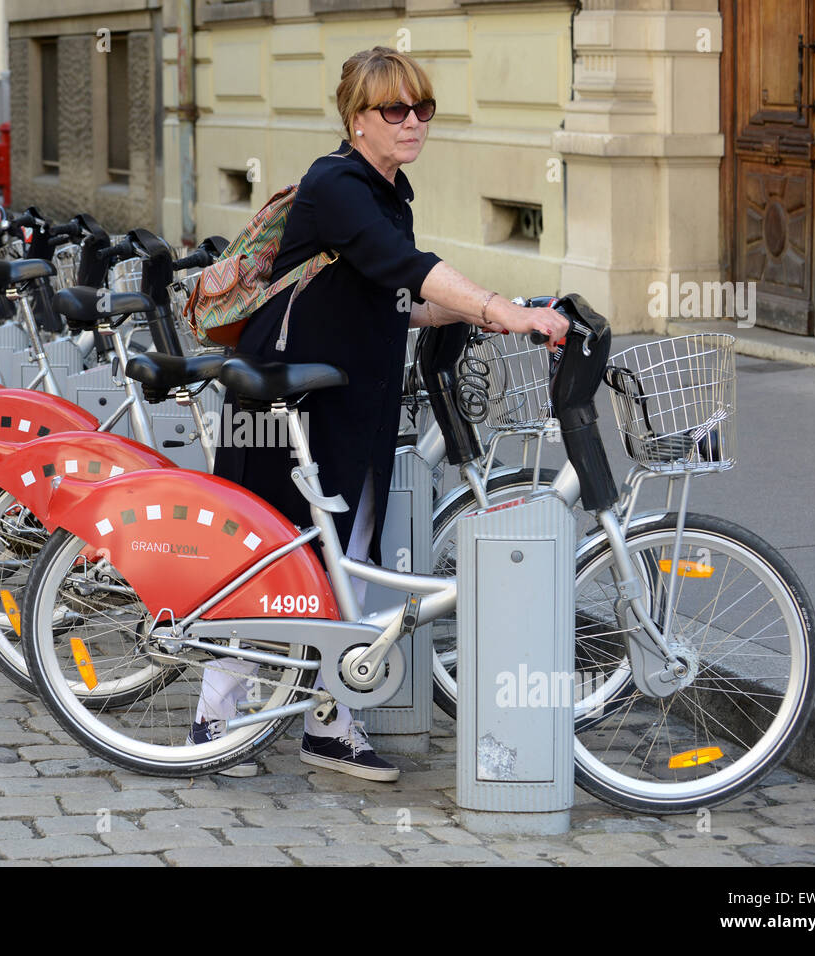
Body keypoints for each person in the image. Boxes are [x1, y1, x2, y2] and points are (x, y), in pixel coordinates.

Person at [197, 47, 570, 781]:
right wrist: (490, 303)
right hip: (288, 393)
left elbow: (393, 293)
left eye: (422, 108)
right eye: (393, 110)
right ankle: (216, 714)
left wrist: (493, 314)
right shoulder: (338, 183)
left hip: (353, 394)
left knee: (353, 557)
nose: (412, 123)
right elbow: (403, 265)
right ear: (356, 119)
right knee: (270, 552)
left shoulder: (388, 190)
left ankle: (331, 720)